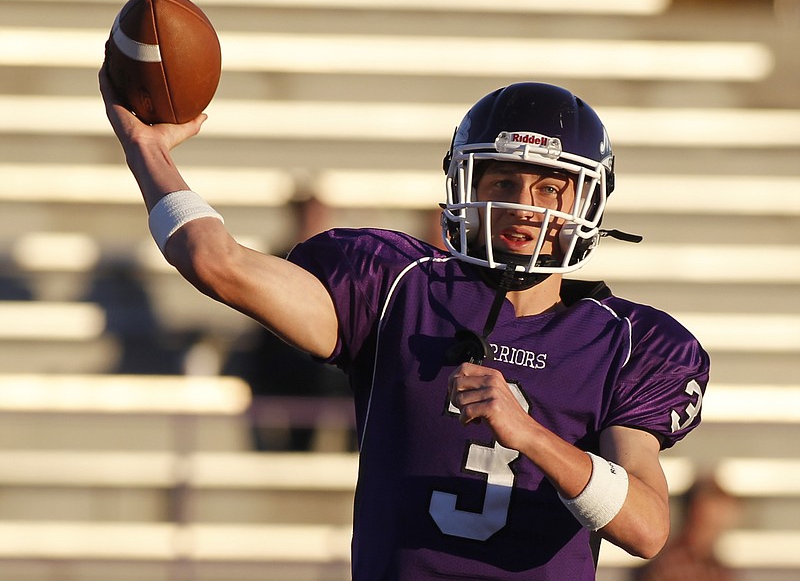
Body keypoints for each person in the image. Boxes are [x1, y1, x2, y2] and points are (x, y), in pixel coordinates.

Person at [99, 73, 710, 580]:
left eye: (551, 187)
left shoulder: (629, 343)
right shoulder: (398, 287)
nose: (526, 204)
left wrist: (530, 436)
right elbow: (217, 264)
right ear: (467, 185)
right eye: (504, 182)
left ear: (587, 202)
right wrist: (147, 150)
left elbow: (649, 529)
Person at [634, 475, 740, 581]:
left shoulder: (716, 568)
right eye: (718, 507)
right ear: (696, 509)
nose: (724, 516)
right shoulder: (670, 566)